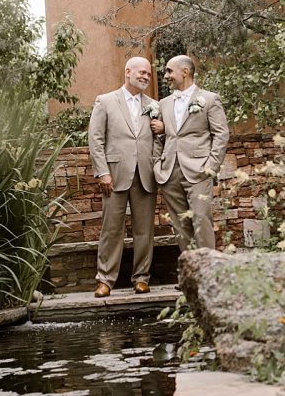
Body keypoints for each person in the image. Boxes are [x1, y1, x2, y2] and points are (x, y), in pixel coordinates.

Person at [88, 56, 165, 298]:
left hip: (145, 174)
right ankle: (105, 280)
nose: (145, 77)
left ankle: (141, 278)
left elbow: (159, 140)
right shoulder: (106, 101)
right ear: (127, 72)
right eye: (141, 72)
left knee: (145, 230)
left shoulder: (155, 105)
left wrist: (155, 160)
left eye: (148, 74)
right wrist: (102, 172)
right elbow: (96, 139)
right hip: (114, 174)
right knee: (111, 229)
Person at [154, 55, 229, 252]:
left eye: (169, 71)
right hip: (170, 171)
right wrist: (157, 164)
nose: (165, 76)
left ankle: (206, 275)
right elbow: (158, 136)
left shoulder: (209, 99)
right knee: (180, 225)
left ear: (185, 71)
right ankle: (190, 273)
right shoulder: (164, 103)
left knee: (201, 220)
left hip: (199, 170)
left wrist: (211, 167)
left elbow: (221, 134)